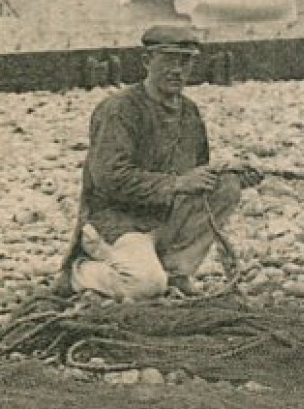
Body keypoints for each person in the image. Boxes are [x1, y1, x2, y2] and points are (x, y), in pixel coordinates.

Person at [58, 25, 263, 301]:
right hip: (117, 223)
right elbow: (109, 179)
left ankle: (177, 272)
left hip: (163, 217)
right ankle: (79, 273)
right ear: (146, 62)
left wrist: (231, 173)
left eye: (185, 61)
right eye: (167, 60)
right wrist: (177, 184)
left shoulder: (189, 112)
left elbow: (197, 173)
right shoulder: (119, 110)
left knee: (225, 185)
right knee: (144, 286)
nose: (177, 70)